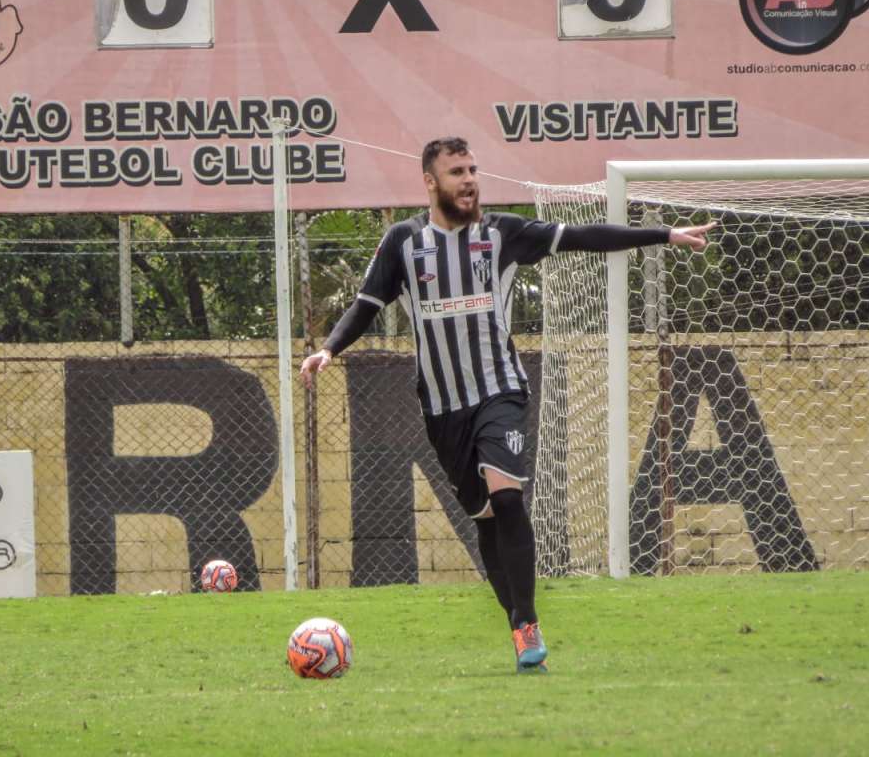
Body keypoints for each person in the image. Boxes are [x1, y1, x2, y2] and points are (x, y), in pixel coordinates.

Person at [300, 137, 715, 673]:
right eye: (456, 172)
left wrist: (663, 234)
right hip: (443, 408)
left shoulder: (503, 234)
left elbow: (584, 237)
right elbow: (365, 306)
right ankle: (517, 622)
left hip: (501, 390)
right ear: (431, 181)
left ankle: (526, 622)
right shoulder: (402, 242)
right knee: (486, 518)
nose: (469, 179)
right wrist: (328, 349)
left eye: (473, 169)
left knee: (509, 499)